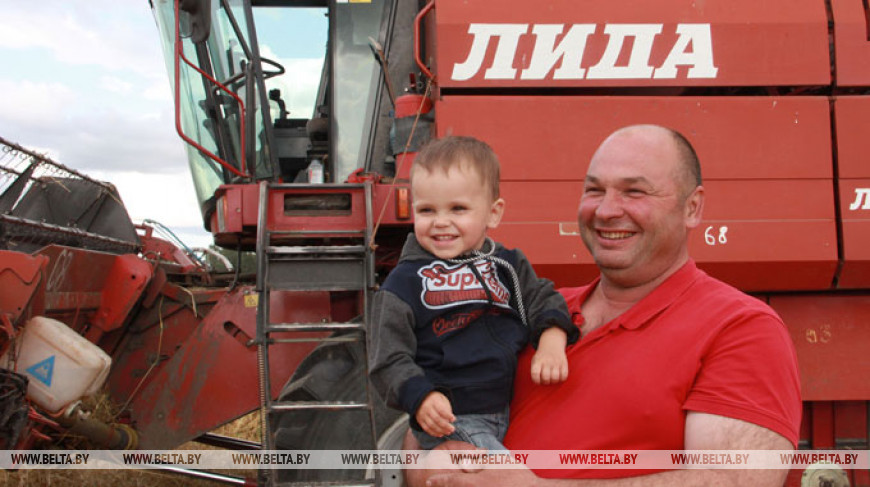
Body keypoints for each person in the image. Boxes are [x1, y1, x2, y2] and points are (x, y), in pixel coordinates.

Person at [414, 125, 802, 486]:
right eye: (595, 190)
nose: (605, 210)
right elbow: (423, 439)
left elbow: (730, 480)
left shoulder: (740, 327)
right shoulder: (525, 310)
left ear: (692, 207)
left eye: (634, 192)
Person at [368, 136, 580, 452]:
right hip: (453, 421)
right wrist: (421, 396)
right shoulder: (403, 284)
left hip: (512, 407)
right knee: (503, 477)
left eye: (458, 209)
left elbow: (542, 298)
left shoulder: (508, 265)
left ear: (493, 213)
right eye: (427, 210)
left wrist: (551, 339)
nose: (441, 222)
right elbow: (387, 358)